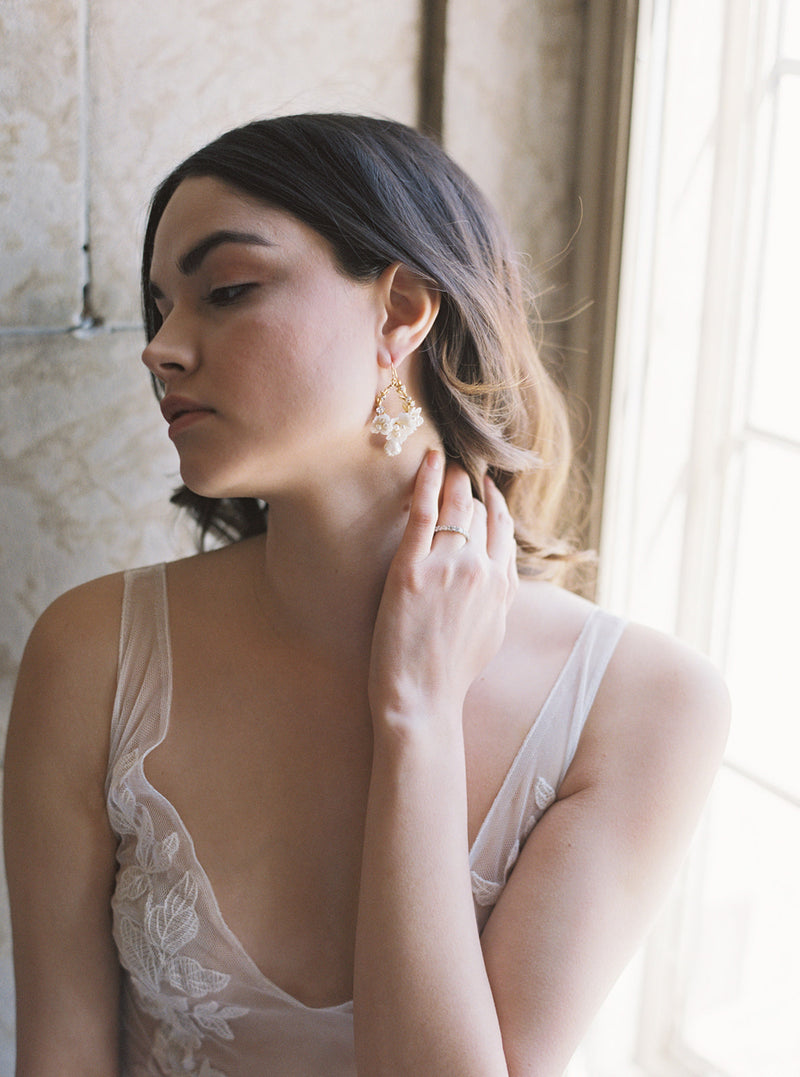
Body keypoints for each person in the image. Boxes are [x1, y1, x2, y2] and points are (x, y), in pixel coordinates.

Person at [3, 114, 729, 1077]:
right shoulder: (93, 651)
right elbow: (60, 1056)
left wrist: (418, 718)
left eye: (225, 290)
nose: (162, 348)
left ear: (403, 312)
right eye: (160, 307)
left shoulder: (645, 705)